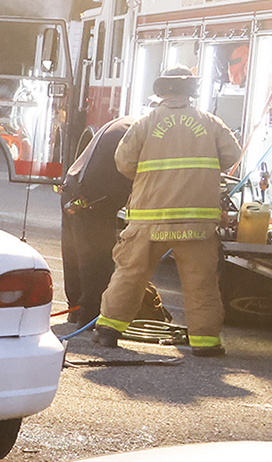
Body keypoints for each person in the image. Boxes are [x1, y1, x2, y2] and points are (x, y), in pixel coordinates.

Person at [93, 66, 243, 357]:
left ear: (161, 91)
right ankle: (206, 343)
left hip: (151, 217)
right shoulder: (210, 123)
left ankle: (108, 331)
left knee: (131, 273)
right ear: (191, 92)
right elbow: (232, 156)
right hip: (197, 222)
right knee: (201, 282)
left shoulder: (145, 123)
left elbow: (124, 163)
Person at [58, 114, 135, 328]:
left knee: (75, 253)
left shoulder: (127, 123)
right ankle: (89, 317)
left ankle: (75, 311)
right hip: (93, 198)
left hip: (73, 189)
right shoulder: (143, 131)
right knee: (97, 259)